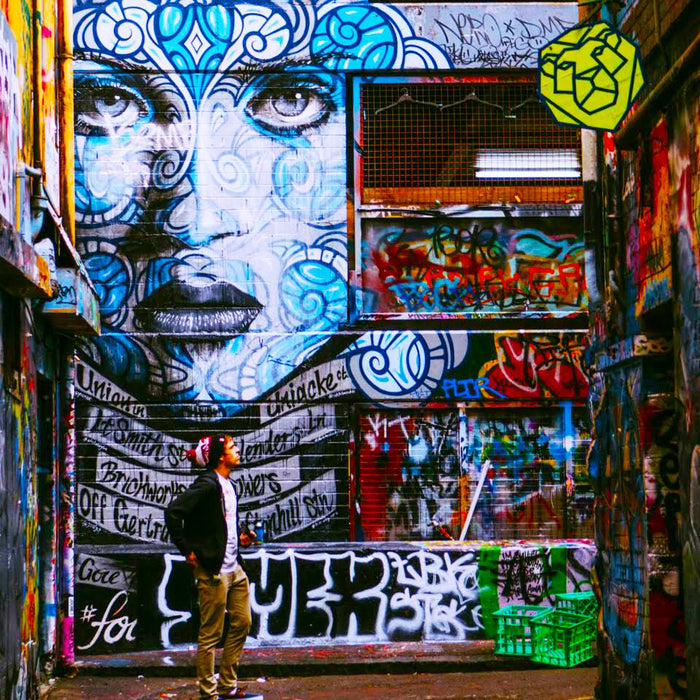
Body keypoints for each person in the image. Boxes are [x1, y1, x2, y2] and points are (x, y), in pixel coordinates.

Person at [165, 434, 262, 700]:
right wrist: (187, 550)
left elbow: (218, 525)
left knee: (243, 622)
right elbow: (173, 512)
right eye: (232, 447)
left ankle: (228, 686)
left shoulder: (229, 485)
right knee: (211, 634)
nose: (237, 450)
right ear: (220, 456)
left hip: (235, 568)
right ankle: (209, 693)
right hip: (213, 570)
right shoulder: (207, 484)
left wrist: (241, 538)